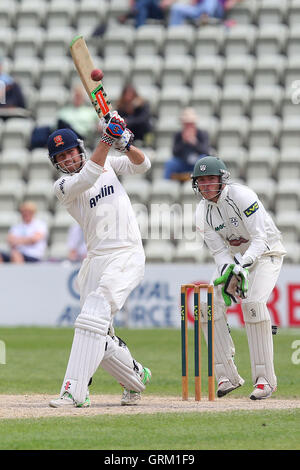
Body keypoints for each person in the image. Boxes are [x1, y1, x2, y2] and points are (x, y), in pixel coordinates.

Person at [47, 112, 152, 408]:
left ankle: (74, 392)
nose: (67, 160)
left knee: (93, 315)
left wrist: (124, 142)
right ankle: (136, 377)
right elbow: (89, 175)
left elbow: (142, 165)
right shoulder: (63, 188)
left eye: (70, 152)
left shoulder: (107, 162)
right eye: (61, 158)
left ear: (79, 148)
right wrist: (108, 138)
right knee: (96, 331)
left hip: (126, 252)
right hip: (95, 259)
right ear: (57, 164)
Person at [192, 155, 286, 400]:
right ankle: (226, 375)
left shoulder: (242, 196)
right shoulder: (202, 212)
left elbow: (260, 239)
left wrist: (242, 266)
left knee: (252, 304)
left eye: (211, 179)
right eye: (201, 181)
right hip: (235, 260)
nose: (206, 185)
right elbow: (220, 254)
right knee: (206, 306)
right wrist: (231, 271)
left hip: (267, 254)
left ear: (223, 180)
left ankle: (265, 381)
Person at [164, 107, 210, 180]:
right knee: (170, 163)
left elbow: (206, 152)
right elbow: (174, 152)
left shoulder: (202, 134)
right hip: (183, 163)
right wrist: (183, 142)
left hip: (197, 163)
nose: (189, 126)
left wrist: (194, 142)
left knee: (203, 160)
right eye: (186, 124)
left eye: (190, 124)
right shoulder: (178, 135)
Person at [168, 0, 242, 26]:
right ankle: (174, 33)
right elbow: (193, 3)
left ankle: (205, 16)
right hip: (199, 10)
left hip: (217, 10)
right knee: (176, 7)